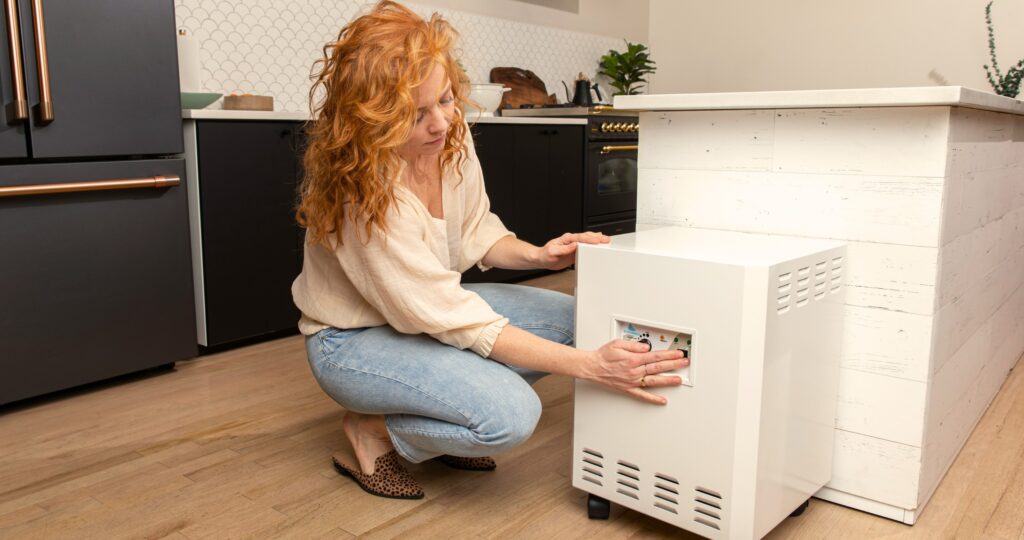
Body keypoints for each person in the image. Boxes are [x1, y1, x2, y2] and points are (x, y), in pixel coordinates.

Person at [292, 0, 687, 500]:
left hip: (427, 314)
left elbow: (478, 231)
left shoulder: (449, 141)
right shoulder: (364, 193)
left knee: (573, 319)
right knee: (509, 416)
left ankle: (441, 409)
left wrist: (541, 256)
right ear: (373, 120)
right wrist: (591, 366)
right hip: (351, 343)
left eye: (446, 99)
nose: (440, 123)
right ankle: (372, 430)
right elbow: (455, 318)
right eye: (416, 115)